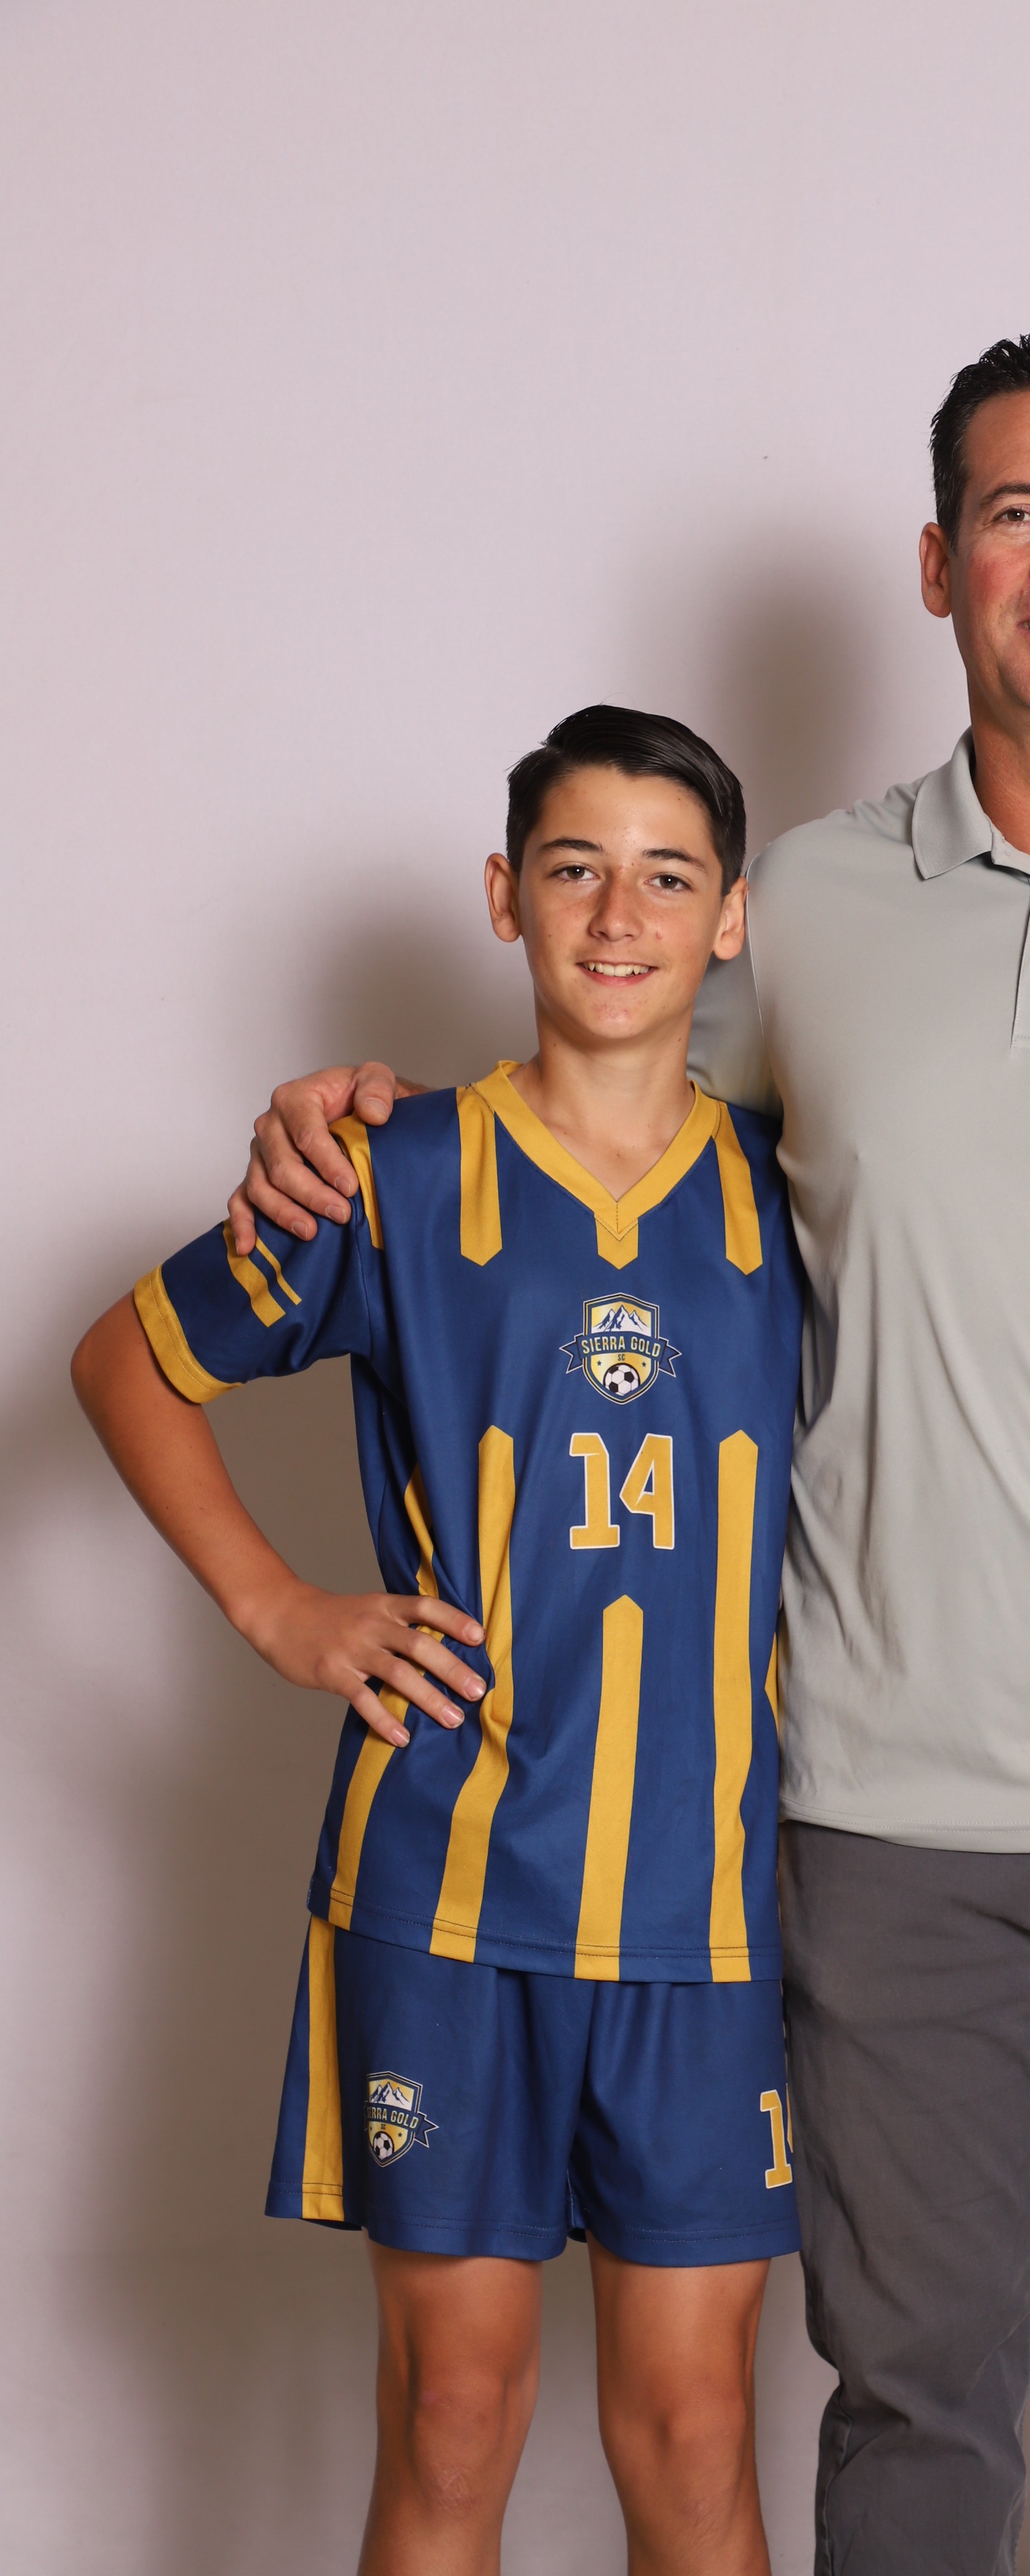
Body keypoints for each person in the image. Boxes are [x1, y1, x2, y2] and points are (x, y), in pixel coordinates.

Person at [230, 329, 1030, 2575]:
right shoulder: (808, 904)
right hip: (886, 1817)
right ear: (939, 566)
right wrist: (363, 1124)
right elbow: (596, 1104)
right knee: (915, 2420)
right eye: (1013, 514)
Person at [72, 707, 807, 2576]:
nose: (619, 915)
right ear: (504, 897)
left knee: (698, 2435)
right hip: (449, 1897)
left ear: (732, 916)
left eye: (668, 876)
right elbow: (127, 1363)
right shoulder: (386, 1174)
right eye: (575, 869)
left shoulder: (801, 1191)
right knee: (455, 2417)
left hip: (706, 1913)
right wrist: (280, 1606)